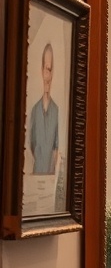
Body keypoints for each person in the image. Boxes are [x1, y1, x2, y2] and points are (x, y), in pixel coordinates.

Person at [29, 42, 59, 174]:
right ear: (42, 70)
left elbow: (56, 147)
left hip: (50, 177)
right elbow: (31, 144)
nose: (48, 75)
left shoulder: (56, 111)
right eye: (46, 69)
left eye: (50, 69)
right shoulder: (35, 110)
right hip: (36, 174)